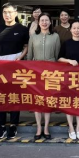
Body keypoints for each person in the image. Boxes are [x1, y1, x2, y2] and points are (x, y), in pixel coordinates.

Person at [0, 3, 30, 140]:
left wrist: (21, 57)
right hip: (1, 65)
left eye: (9, 12)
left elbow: (26, 46)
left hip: (16, 65)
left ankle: (13, 125)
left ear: (15, 13)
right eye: (4, 12)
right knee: (0, 96)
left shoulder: (22, 29)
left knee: (14, 95)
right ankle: (1, 125)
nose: (7, 15)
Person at [28, 12, 61, 140]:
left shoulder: (55, 36)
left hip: (51, 72)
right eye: (42, 20)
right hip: (36, 71)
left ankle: (46, 127)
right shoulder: (33, 36)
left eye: (47, 20)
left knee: (48, 100)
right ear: (38, 22)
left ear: (50, 22)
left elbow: (57, 55)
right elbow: (29, 56)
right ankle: (38, 127)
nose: (44, 22)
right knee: (37, 100)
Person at [58, 20, 79, 140]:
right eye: (74, 28)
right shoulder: (66, 43)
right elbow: (59, 58)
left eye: (78, 28)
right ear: (71, 29)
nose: (76, 30)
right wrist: (69, 61)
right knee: (69, 102)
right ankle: (71, 127)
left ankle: (78, 127)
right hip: (68, 77)